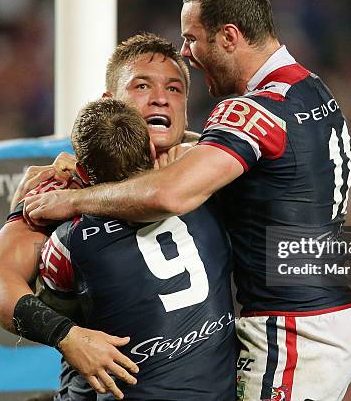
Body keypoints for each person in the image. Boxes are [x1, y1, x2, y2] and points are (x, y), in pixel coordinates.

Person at [22, 0, 351, 401]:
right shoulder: (313, 97)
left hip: (289, 337)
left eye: (192, 40)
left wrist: (69, 198)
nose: (187, 56)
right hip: (329, 323)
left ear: (229, 36)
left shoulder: (251, 110)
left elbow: (171, 194)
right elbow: (317, 247)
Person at [0, 33, 206, 399]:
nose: (161, 97)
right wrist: (67, 336)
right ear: (110, 102)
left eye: (175, 89)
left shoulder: (210, 168)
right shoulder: (61, 185)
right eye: (142, 85)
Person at [41, 98, 236, 400]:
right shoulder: (206, 197)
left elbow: (58, 314)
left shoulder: (67, 242)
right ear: (149, 151)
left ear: (80, 169)